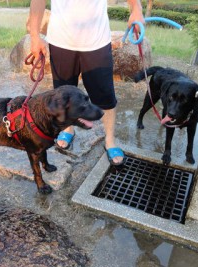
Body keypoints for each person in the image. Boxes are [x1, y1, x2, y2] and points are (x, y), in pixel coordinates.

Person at [29, 0, 144, 166]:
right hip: (60, 40)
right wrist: (34, 36)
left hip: (97, 41)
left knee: (106, 97)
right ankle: (68, 128)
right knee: (63, 94)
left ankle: (110, 140)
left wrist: (136, 8)